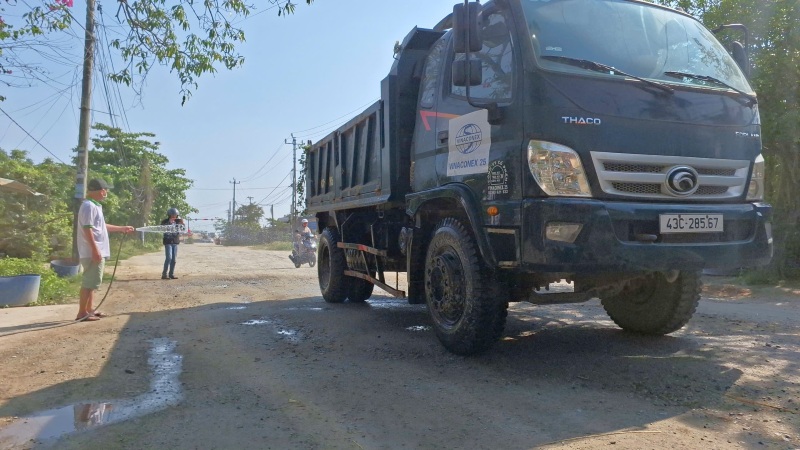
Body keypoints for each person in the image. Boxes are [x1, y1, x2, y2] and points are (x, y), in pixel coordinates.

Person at [76, 178, 134, 321]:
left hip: (96, 250)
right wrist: (95, 250)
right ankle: (81, 313)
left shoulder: (95, 206)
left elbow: (101, 226)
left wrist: (121, 229)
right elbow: (87, 230)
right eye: (105, 190)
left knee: (93, 282)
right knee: (88, 283)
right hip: (92, 251)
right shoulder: (88, 206)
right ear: (101, 191)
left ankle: (89, 309)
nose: (106, 193)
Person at [161, 207, 183, 280]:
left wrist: (182, 223)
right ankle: (164, 274)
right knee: (169, 258)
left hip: (175, 241)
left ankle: (171, 274)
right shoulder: (165, 221)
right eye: (172, 215)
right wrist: (168, 225)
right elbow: (161, 228)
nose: (174, 216)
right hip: (168, 242)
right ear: (169, 215)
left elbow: (183, 229)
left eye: (175, 215)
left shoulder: (178, 222)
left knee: (174, 259)